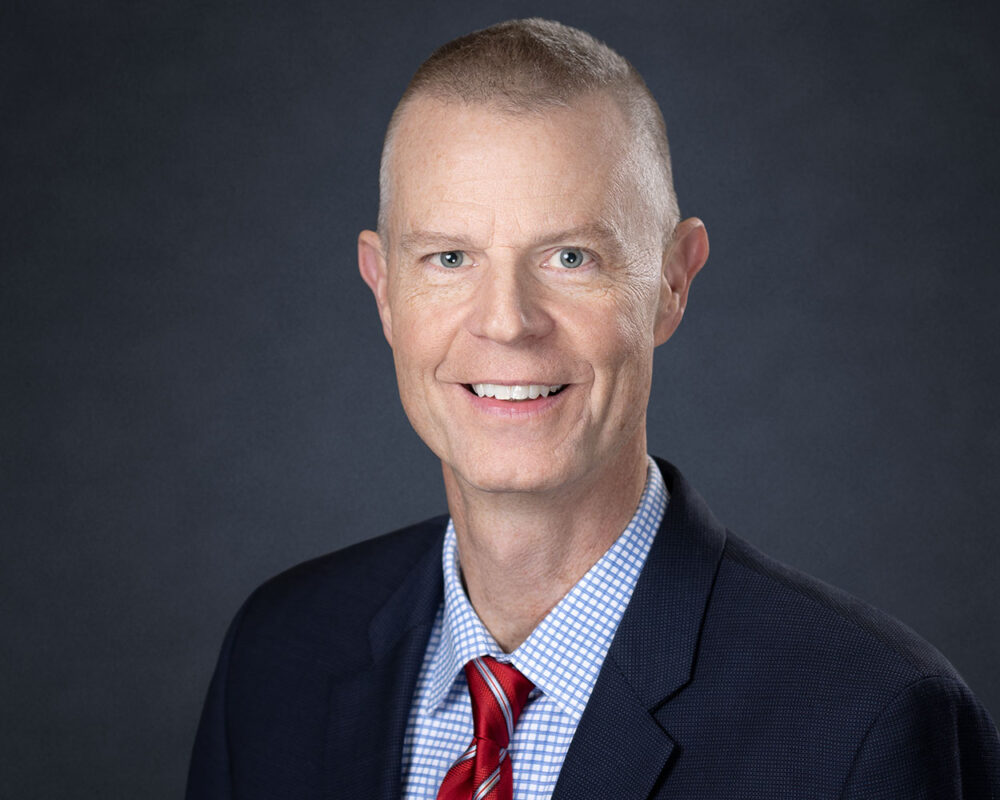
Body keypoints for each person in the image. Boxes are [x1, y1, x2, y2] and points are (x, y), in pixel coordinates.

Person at [187, 18, 999, 800]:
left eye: (571, 257)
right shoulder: (279, 655)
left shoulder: (866, 722)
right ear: (384, 290)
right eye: (449, 257)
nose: (507, 322)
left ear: (672, 283)